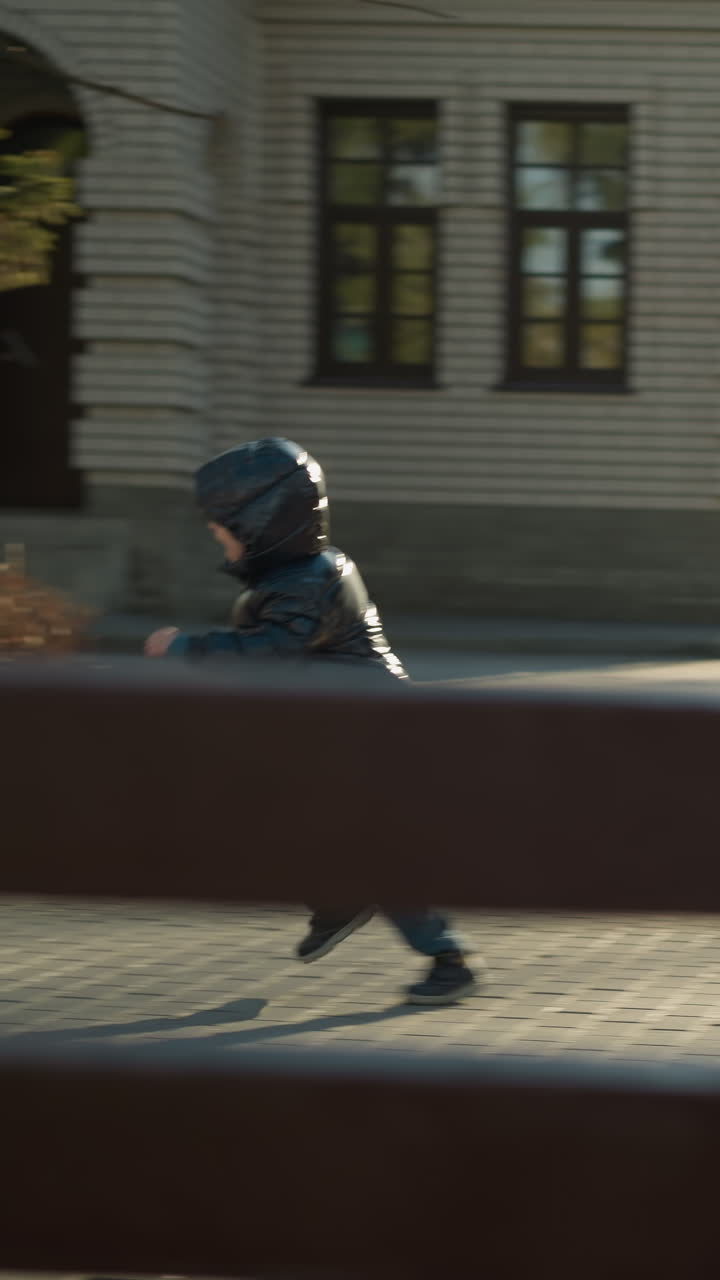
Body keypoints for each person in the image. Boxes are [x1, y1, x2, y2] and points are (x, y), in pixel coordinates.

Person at [145, 437, 477, 1005]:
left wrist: (185, 649)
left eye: (223, 525)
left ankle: (444, 958)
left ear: (262, 523)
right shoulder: (299, 574)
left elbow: (269, 651)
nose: (214, 534)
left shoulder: (308, 582)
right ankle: (348, 903)